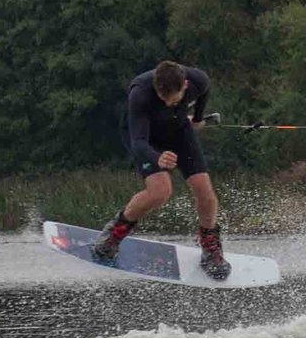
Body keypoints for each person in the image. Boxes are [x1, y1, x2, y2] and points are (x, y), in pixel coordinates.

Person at [92, 60, 229, 280]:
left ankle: (210, 248)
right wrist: (158, 157)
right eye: (161, 98)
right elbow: (138, 142)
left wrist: (199, 118)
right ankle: (113, 236)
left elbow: (204, 91)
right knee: (160, 192)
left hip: (179, 130)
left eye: (171, 98)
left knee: (205, 191)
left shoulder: (198, 80)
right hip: (146, 139)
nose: (166, 102)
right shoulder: (140, 93)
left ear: (184, 86)